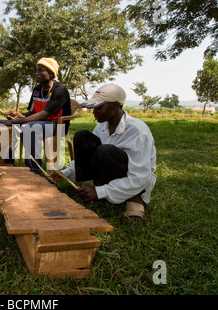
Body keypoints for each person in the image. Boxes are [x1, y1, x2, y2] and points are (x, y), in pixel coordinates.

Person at [49, 84, 156, 220]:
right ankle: (103, 185)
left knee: (105, 150)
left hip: (135, 178)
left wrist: (99, 192)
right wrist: (63, 174)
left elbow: (140, 177)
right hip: (106, 173)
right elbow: (89, 157)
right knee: (82, 136)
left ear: (115, 106)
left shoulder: (138, 131)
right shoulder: (101, 126)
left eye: (99, 107)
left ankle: (135, 197)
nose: (94, 112)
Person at [0, 57, 71, 173]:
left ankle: (34, 170)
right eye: (37, 70)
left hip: (58, 125)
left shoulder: (60, 89)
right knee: (11, 128)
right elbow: (32, 112)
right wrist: (18, 115)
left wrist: (14, 121)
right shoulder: (37, 89)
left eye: (41, 70)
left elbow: (43, 115)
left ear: (51, 74)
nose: (37, 73)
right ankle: (8, 162)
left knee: (31, 128)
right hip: (40, 122)